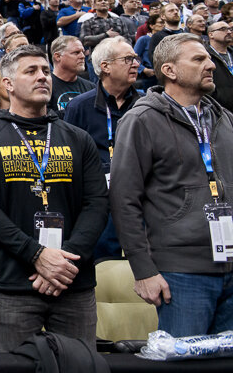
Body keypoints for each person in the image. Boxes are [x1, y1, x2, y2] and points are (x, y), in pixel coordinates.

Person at [0, 46, 108, 352]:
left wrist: (64, 261)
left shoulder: (77, 137)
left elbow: (97, 204)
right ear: (8, 84)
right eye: (31, 71)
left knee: (79, 365)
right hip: (14, 284)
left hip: (73, 282)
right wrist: (37, 255)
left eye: (44, 70)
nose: (42, 76)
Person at [111, 33, 233, 337]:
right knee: (186, 366)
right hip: (181, 272)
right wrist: (143, 270)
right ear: (169, 70)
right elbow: (124, 200)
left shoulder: (225, 119)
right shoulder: (141, 120)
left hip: (231, 265)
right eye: (199, 59)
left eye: (209, 58)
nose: (211, 65)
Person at [64, 37, 141, 259]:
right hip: (99, 204)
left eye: (135, 58)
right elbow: (71, 157)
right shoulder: (79, 106)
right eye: (128, 59)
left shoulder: (147, 104)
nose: (136, 63)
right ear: (105, 66)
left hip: (140, 200)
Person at [48, 36, 93, 114]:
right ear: (58, 57)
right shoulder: (44, 86)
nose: (82, 56)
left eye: (83, 52)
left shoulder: (91, 88)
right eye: (76, 52)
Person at [206, 20, 233, 112]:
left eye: (230, 29)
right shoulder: (205, 56)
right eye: (223, 29)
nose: (229, 32)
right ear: (211, 35)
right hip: (217, 109)